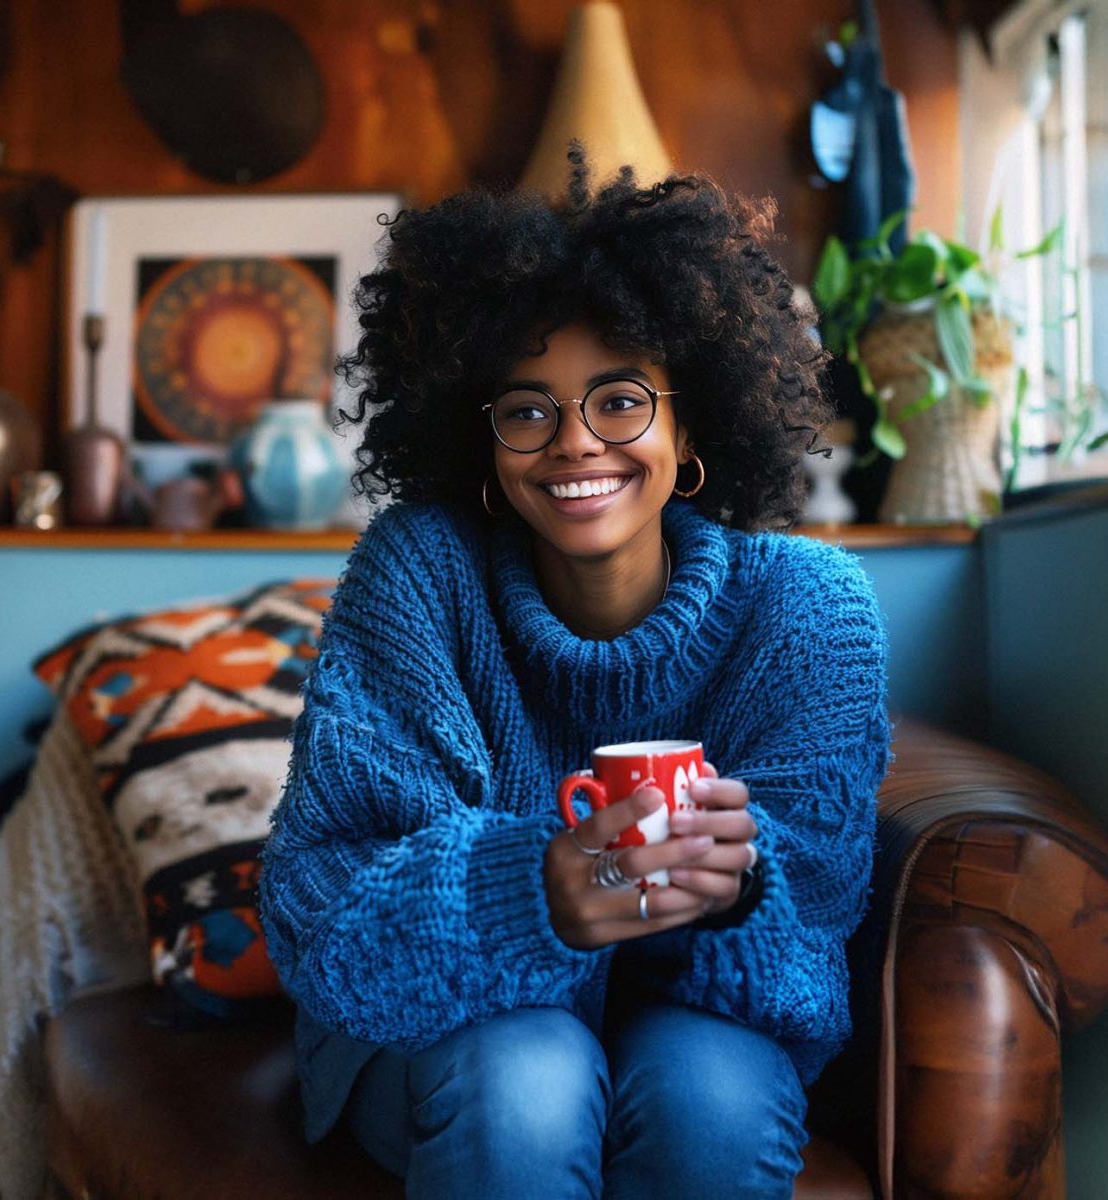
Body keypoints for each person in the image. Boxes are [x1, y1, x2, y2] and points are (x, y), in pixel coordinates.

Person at [256, 141, 895, 1199]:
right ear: (483, 445)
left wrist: (735, 888)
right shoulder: (419, 573)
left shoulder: (807, 607)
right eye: (526, 409)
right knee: (530, 1078)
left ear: (689, 419)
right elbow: (322, 900)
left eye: (618, 399)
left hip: (693, 1013)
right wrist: (528, 896)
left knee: (714, 1104)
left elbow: (815, 907)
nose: (573, 443)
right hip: (446, 1024)